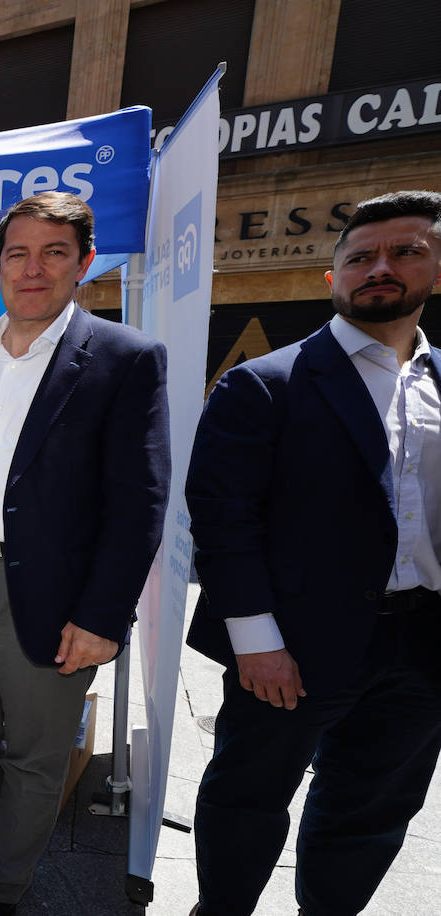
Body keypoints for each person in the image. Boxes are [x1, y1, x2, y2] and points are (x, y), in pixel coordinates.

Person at [185, 190, 441, 916]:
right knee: (248, 797)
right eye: (361, 257)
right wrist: (255, 641)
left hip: (422, 646)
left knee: (374, 807)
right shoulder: (266, 382)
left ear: (436, 268)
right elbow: (223, 519)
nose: (380, 268)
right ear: (333, 278)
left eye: (405, 252)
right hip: (292, 647)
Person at [0, 191, 170, 916]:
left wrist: (102, 617)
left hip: (58, 593)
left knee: (34, 754)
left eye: (53, 252)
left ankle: (1, 888)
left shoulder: (126, 358)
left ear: (85, 263)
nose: (33, 269)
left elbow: (139, 500)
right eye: (17, 253)